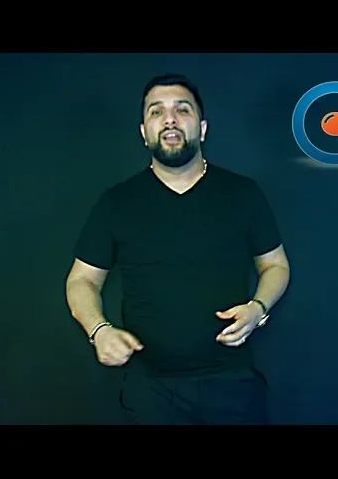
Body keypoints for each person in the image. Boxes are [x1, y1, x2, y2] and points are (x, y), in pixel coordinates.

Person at [65, 73, 290, 425]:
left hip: (232, 383)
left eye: (182, 110)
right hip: (151, 389)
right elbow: (81, 280)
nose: (169, 119)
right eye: (157, 111)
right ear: (144, 133)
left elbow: (276, 265)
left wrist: (258, 308)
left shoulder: (243, 193)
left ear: (202, 128)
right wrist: (99, 330)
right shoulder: (117, 202)